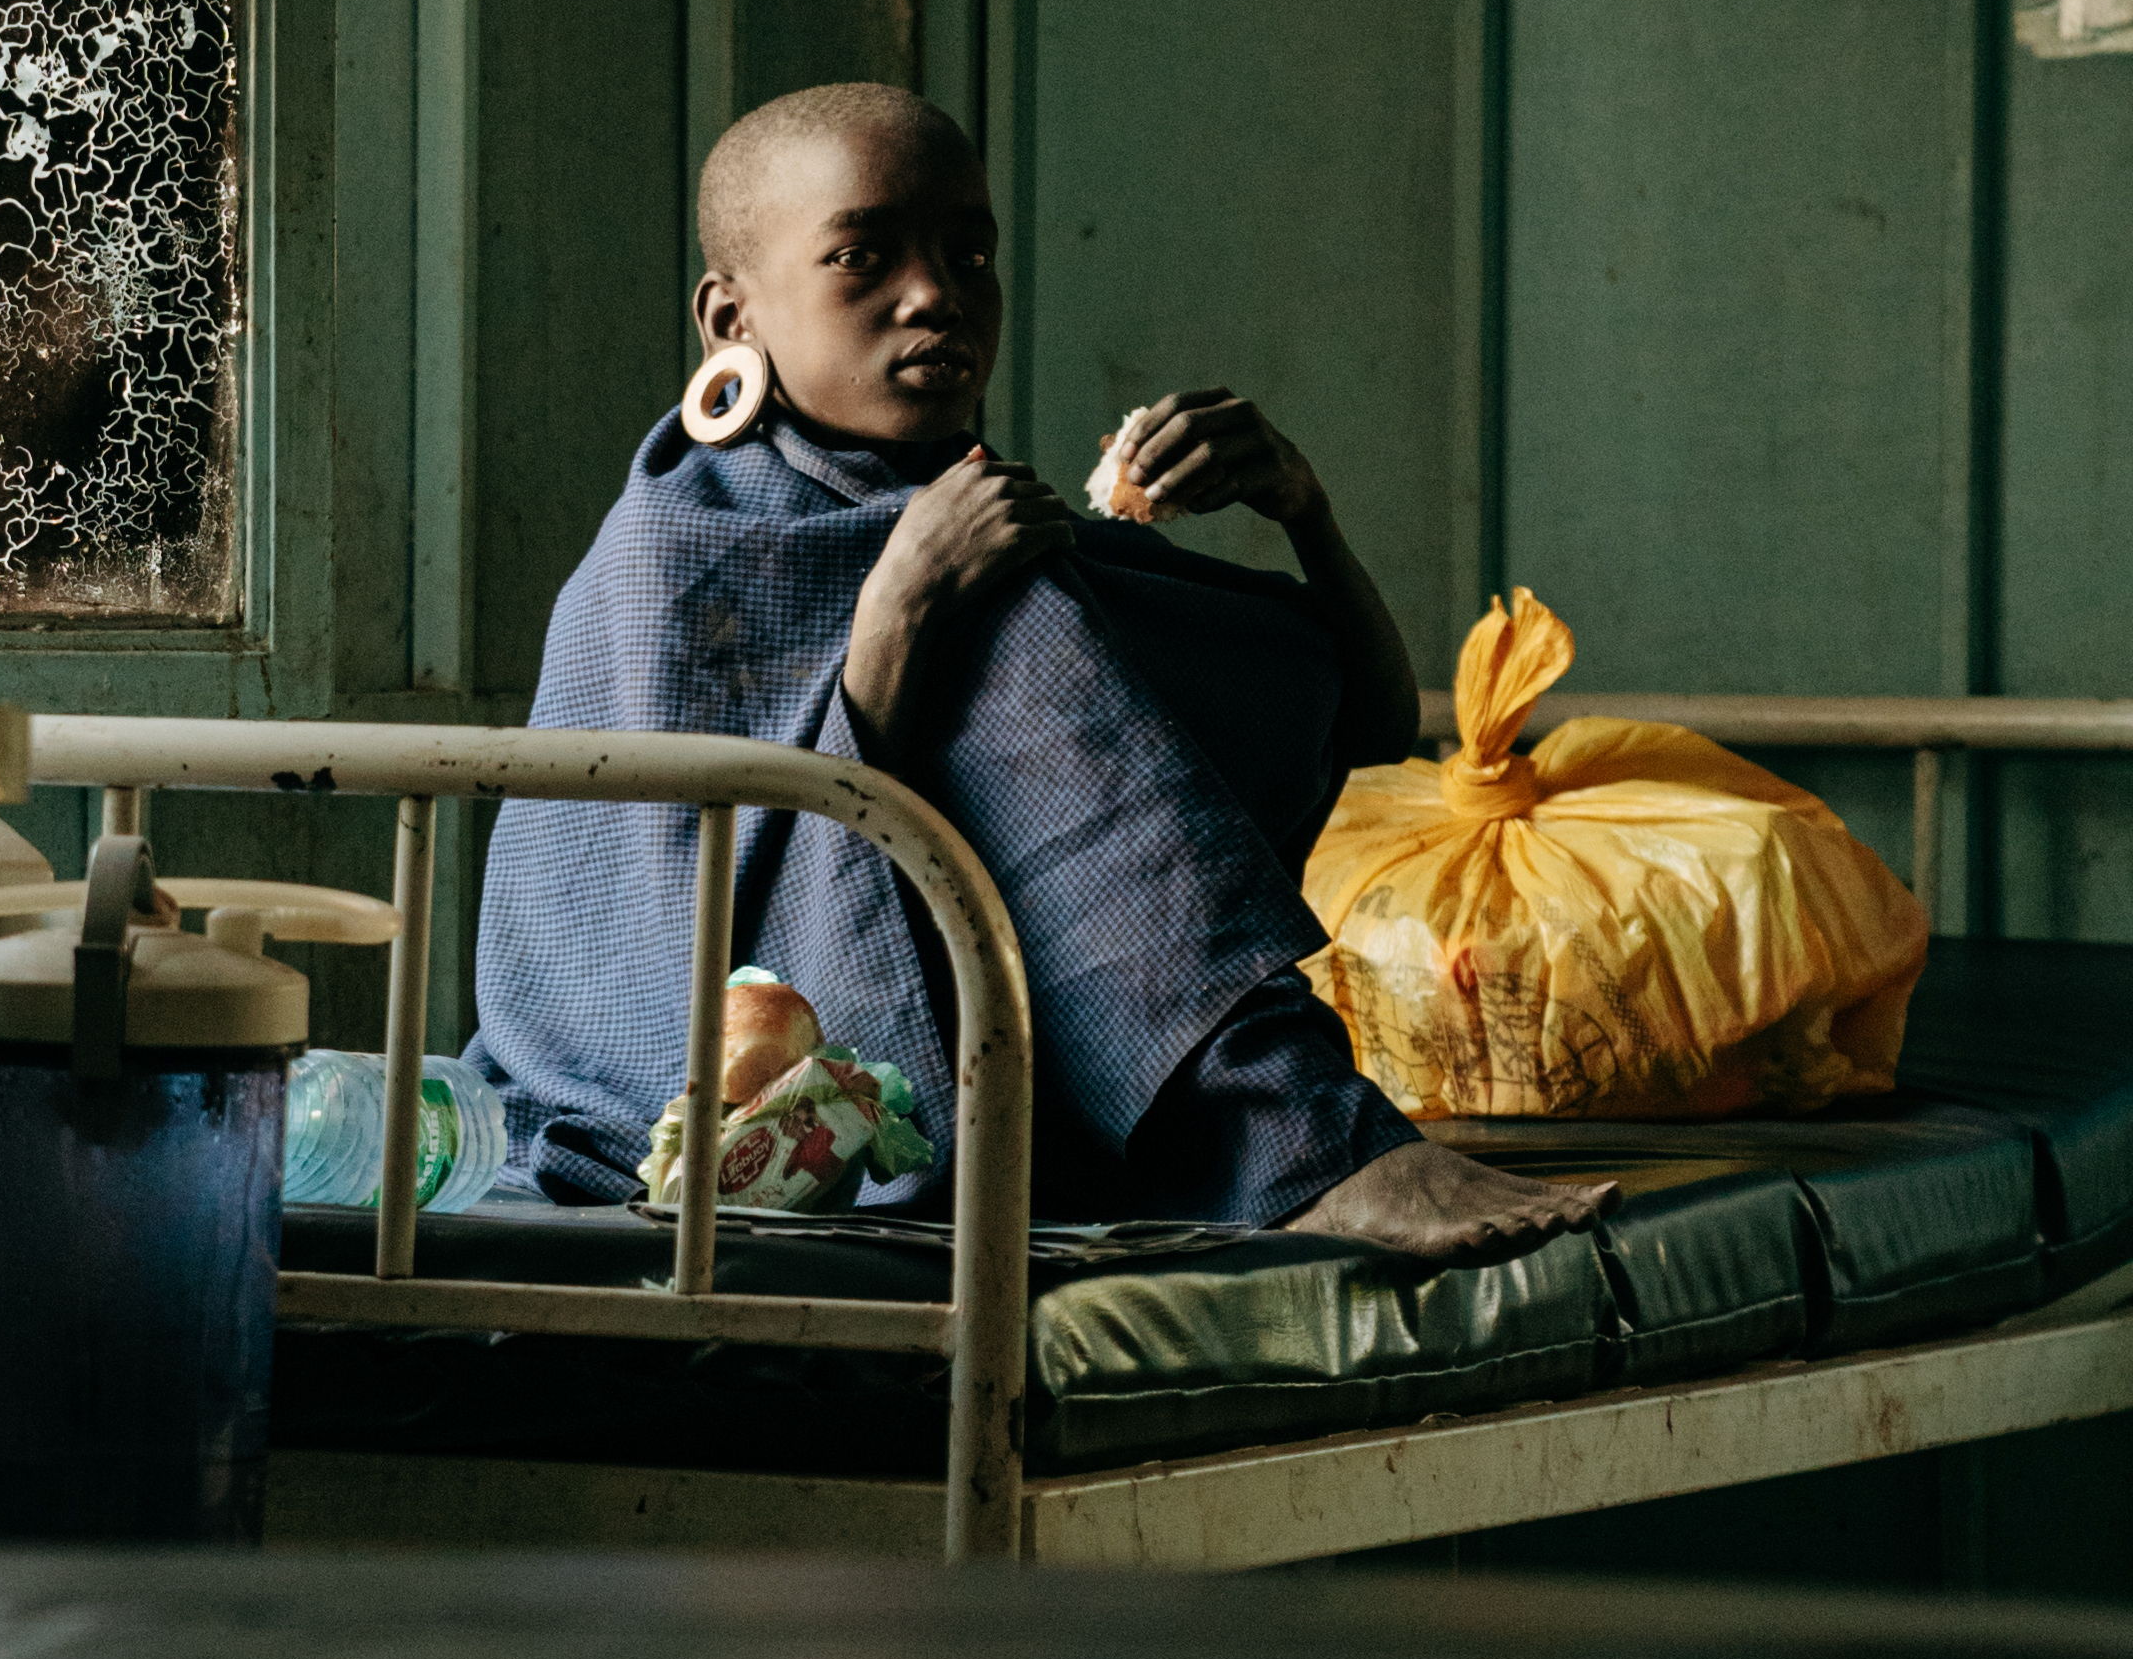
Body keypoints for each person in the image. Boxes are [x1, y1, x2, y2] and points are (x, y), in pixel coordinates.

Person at [471, 79, 1615, 1254]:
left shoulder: (981, 525)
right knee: (1006, 615)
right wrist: (899, 615)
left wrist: (1301, 509)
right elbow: (678, 927)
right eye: (862, 257)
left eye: (970, 255)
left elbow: (1367, 722)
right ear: (731, 323)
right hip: (699, 1076)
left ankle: (1291, 1129)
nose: (935, 296)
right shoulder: (678, 550)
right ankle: (1297, 1140)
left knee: (1018, 606)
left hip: (989, 1072)